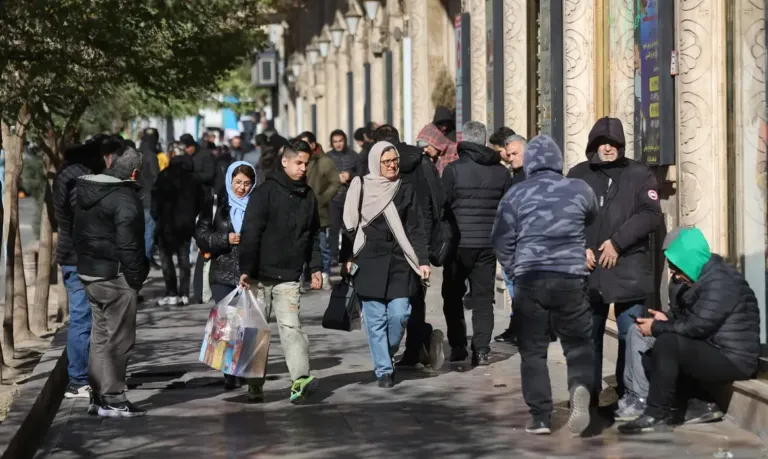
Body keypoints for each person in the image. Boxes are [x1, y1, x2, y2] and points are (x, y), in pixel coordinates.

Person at [492, 134, 598, 435]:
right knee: (578, 345)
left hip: (531, 279)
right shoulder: (580, 189)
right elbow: (592, 217)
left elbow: (500, 238)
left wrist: (515, 269)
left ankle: (540, 416)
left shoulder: (516, 194)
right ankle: (579, 387)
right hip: (571, 279)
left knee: (533, 350)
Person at [619, 227, 761, 434]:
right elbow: (693, 320)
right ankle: (700, 405)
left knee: (668, 344)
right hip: (713, 347)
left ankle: (656, 414)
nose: (675, 276)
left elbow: (697, 326)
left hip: (735, 359)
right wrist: (666, 318)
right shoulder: (702, 277)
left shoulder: (720, 281)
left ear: (689, 259)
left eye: (677, 269)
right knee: (653, 352)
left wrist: (658, 327)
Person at [566, 117, 662, 401]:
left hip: (628, 267)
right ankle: (587, 393)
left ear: (620, 146)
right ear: (593, 145)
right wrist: (579, 247)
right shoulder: (578, 174)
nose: (607, 149)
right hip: (588, 270)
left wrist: (617, 243)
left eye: (613, 144)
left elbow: (650, 214)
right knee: (588, 335)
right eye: (602, 143)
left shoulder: (639, 174)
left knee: (629, 335)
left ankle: (629, 391)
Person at [238, 145, 322, 404]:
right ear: (284, 162)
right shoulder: (265, 193)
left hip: (288, 276)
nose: (303, 168)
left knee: (292, 328)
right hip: (259, 277)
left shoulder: (308, 196)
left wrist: (316, 267)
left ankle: (299, 380)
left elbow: (313, 234)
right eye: (298, 162)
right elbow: (251, 233)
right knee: (256, 332)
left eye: (306, 163)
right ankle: (254, 384)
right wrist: (246, 270)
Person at [343, 142, 430, 387]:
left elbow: (415, 227)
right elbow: (349, 228)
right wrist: (347, 259)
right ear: (375, 163)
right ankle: (383, 369)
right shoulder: (361, 186)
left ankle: (387, 353)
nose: (392, 165)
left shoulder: (405, 187)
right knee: (375, 318)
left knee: (400, 313)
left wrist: (423, 260)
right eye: (386, 161)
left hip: (400, 260)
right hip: (368, 260)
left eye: (394, 161)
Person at [73, 146, 149, 417]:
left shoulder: (86, 193)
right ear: (135, 172)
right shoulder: (125, 198)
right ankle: (114, 397)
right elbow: (130, 245)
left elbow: (75, 233)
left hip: (90, 274)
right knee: (119, 339)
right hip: (115, 277)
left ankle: (98, 396)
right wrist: (135, 279)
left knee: (101, 336)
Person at [370, 125, 446, 371]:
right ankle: (417, 345)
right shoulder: (423, 162)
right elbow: (438, 199)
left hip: (393, 241)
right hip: (419, 238)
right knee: (416, 295)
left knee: (393, 298)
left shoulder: (383, 165)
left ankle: (412, 344)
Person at [441, 121, 512, 366]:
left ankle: (458, 346)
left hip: (458, 245)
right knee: (483, 299)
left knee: (452, 296)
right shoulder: (502, 172)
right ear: (483, 141)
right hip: (486, 245)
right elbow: (507, 210)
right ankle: (481, 350)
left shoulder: (452, 170)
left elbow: (443, 207)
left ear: (464, 139)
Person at [195, 160, 257, 395]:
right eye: (238, 182)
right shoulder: (215, 204)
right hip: (221, 273)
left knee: (246, 325)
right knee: (226, 324)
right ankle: (229, 373)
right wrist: (225, 239)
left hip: (248, 274)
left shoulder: (257, 205)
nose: (241, 188)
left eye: (247, 184)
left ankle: (244, 368)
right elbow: (201, 236)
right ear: (230, 180)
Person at [53, 140, 110, 399]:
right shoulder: (78, 178)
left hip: (71, 254)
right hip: (78, 256)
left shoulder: (65, 174)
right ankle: (77, 380)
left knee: (83, 317)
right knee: (82, 318)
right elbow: (81, 215)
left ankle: (82, 376)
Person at [488, 128, 528, 344]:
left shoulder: (526, 176)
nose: (507, 157)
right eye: (508, 154)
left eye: (513, 153)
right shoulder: (513, 174)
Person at [151, 154, 205, 306]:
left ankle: (171, 292)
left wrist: (157, 217)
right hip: (185, 225)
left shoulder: (163, 176)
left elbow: (155, 200)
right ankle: (185, 294)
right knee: (184, 258)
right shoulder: (192, 179)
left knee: (166, 259)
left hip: (165, 224)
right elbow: (201, 201)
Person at [296, 136, 340, 290]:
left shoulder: (325, 162)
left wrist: (322, 199)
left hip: (319, 212)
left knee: (322, 245)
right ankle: (300, 278)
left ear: (313, 144)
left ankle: (325, 275)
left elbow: (335, 183)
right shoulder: (297, 160)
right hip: (299, 209)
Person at [325, 129, 359, 266]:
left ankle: (348, 256)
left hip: (350, 198)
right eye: (335, 141)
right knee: (333, 229)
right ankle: (333, 256)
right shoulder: (327, 158)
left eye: (340, 141)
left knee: (349, 229)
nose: (338, 144)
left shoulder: (354, 156)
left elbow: (361, 173)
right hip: (333, 199)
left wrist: (350, 176)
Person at [137, 128, 161, 261]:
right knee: (148, 233)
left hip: (136, 198)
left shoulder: (136, 153)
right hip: (148, 200)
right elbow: (155, 179)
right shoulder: (151, 156)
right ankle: (144, 261)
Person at [180, 133, 216, 198]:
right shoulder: (183, 155)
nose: (186, 150)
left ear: (193, 145)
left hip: (202, 192)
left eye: (188, 147)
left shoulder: (205, 154)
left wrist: (192, 177)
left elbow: (209, 174)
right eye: (184, 148)